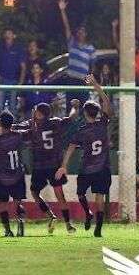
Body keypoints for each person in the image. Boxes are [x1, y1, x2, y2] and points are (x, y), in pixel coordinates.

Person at [56, 74, 112, 238]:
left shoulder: (82, 130)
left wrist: (64, 165)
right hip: (103, 167)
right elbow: (107, 103)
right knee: (99, 196)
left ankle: (87, 212)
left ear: (85, 113)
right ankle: (98, 227)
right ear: (97, 113)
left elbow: (71, 147)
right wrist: (96, 86)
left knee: (80, 194)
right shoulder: (103, 124)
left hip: (87, 168)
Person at [15, 100, 79, 235]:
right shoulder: (55, 123)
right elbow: (72, 117)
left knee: (34, 192)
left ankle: (51, 216)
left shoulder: (32, 126)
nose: (33, 112)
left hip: (40, 165)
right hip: (55, 164)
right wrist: (75, 106)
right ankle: (68, 225)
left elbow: (15, 128)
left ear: (39, 114)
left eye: (35, 110)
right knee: (60, 195)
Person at [0, 1, 27, 113]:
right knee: (0, 107)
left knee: (13, 107)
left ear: (14, 36)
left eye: (10, 33)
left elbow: (23, 67)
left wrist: (20, 82)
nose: (7, 35)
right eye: (6, 33)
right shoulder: (1, 45)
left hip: (14, 81)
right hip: (1, 80)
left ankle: (13, 128)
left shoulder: (18, 48)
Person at [58, 0, 95, 110]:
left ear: (86, 34)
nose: (80, 34)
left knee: (84, 108)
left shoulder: (90, 48)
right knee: (71, 108)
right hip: (71, 80)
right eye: (78, 32)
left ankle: (83, 127)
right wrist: (62, 10)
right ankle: (70, 128)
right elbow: (66, 27)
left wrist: (90, 80)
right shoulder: (72, 44)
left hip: (83, 82)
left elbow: (93, 67)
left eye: (82, 32)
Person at [112, 19, 139, 85]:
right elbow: (116, 43)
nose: (135, 46)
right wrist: (114, 28)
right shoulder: (126, 54)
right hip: (128, 82)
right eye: (133, 44)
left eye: (136, 44)